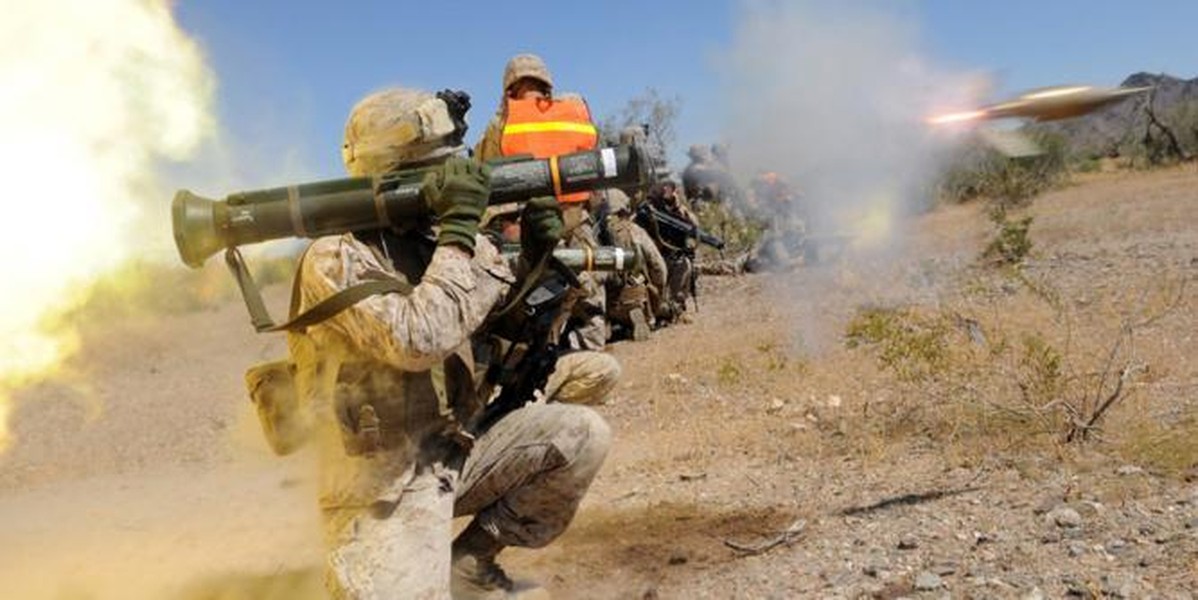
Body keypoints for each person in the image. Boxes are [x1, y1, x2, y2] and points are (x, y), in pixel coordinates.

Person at [291, 86, 611, 599]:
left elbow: (502, 327)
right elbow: (417, 340)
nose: (453, 178)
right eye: (436, 168)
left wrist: (535, 262)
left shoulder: (443, 242)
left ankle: (470, 563)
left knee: (579, 435)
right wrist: (458, 233)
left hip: (455, 448)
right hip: (381, 482)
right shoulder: (335, 256)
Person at [473, 54, 609, 353]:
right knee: (589, 297)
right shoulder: (573, 116)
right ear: (547, 84)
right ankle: (588, 358)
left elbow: (484, 178)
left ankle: (529, 357)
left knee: (520, 299)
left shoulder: (502, 123)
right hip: (576, 221)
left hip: (525, 226)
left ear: (509, 88)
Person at [599, 188, 669, 340]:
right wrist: (658, 293)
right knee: (651, 300)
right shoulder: (635, 231)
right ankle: (640, 314)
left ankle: (606, 323)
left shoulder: (597, 234)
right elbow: (659, 266)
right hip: (637, 296)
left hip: (609, 302)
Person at [641, 179, 701, 322]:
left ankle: (677, 308)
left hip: (671, 257)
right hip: (651, 260)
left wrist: (678, 208)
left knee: (684, 264)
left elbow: (694, 227)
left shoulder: (678, 212)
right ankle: (655, 310)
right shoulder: (647, 212)